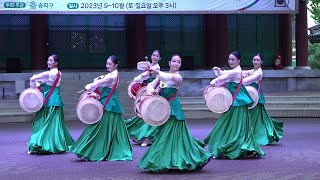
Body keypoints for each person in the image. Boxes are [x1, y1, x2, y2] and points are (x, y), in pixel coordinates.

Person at [138, 54, 212, 172]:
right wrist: (152, 90)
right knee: (166, 137)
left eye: (178, 62)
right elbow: (150, 86)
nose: (176, 64)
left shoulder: (178, 77)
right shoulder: (162, 76)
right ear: (169, 63)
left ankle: (176, 161)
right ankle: (170, 161)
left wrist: (157, 72)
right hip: (163, 110)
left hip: (173, 111)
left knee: (172, 137)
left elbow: (169, 78)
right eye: (174, 61)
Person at [204, 51, 265, 159]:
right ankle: (233, 146)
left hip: (238, 102)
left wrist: (213, 83)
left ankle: (233, 147)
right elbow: (225, 75)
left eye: (233, 59)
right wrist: (218, 71)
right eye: (229, 59)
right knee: (232, 126)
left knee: (230, 125)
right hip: (235, 102)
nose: (230, 61)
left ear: (238, 60)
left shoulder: (238, 71)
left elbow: (221, 79)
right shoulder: (236, 70)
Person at [71, 55, 132, 161]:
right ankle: (102, 150)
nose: (107, 66)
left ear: (116, 65)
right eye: (107, 63)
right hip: (109, 101)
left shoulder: (111, 76)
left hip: (109, 103)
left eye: (110, 64)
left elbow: (98, 83)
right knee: (106, 128)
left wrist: (90, 86)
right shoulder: (113, 74)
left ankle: (92, 151)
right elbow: (103, 80)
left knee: (99, 127)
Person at [28, 54, 74, 154]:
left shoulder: (49, 73)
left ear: (56, 63)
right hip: (54, 100)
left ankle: (42, 143)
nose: (49, 62)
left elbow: (33, 78)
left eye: (51, 61)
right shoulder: (58, 73)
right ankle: (57, 144)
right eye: (48, 60)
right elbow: (43, 82)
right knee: (55, 124)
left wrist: (33, 86)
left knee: (48, 124)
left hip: (50, 101)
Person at [242, 53, 283, 145]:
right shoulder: (252, 70)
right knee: (259, 118)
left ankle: (256, 136)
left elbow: (246, 81)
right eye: (254, 60)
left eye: (258, 60)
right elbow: (240, 73)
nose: (255, 62)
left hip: (256, 97)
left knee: (255, 118)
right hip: (250, 96)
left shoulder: (259, 72)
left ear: (261, 62)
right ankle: (264, 134)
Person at [125, 50, 162, 146]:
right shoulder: (149, 65)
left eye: (157, 56)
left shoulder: (156, 67)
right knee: (144, 113)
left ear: (159, 58)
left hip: (153, 92)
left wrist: (137, 78)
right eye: (153, 55)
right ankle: (142, 136)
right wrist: (145, 66)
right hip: (146, 92)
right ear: (151, 56)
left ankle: (148, 137)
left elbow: (143, 76)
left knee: (150, 114)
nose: (155, 57)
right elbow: (139, 66)